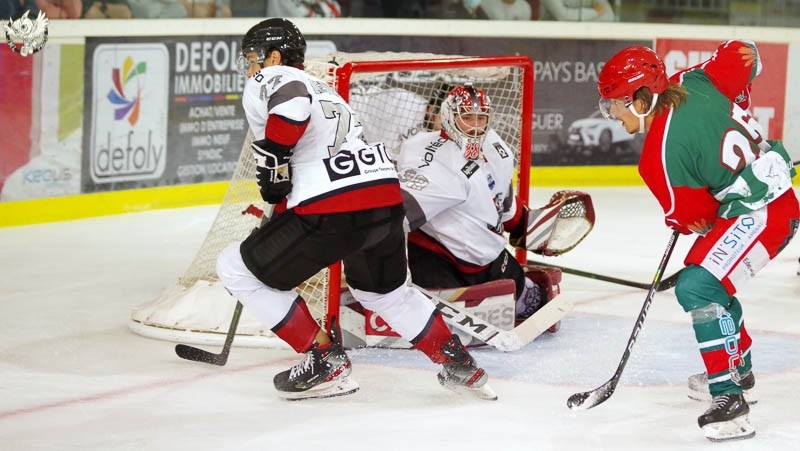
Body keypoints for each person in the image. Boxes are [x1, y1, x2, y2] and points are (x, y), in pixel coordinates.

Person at [215, 18, 496, 401]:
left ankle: (323, 358)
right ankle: (459, 363)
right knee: (386, 295)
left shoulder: (276, 77)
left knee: (235, 267)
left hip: (333, 205)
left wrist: (276, 157)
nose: (250, 69)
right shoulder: (327, 90)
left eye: (252, 59)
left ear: (275, 56)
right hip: (384, 202)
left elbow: (292, 107)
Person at [597, 41, 799, 442]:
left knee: (699, 285)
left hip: (763, 214)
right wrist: (738, 96)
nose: (612, 114)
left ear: (640, 97)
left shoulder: (657, 157)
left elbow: (698, 220)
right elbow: (745, 53)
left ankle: (730, 398)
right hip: (777, 199)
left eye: (615, 104)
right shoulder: (696, 79)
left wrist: (686, 213)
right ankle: (736, 366)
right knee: (710, 282)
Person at [395, 84, 560, 326]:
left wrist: (526, 229)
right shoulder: (427, 156)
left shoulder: (495, 147)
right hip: (438, 257)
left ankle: (524, 291)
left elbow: (503, 200)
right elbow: (398, 214)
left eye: (481, 117)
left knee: (527, 293)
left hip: (487, 253)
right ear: (450, 116)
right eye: (467, 117)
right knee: (435, 316)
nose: (475, 125)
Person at [540, 0, 613, 21]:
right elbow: (563, 16)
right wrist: (596, 12)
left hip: (587, 41)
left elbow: (608, 16)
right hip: (553, 41)